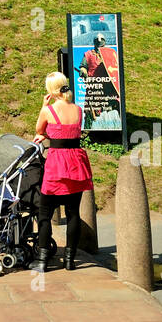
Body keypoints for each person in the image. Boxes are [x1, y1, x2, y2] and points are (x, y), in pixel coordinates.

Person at [31, 72, 94, 273]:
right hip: (75, 162)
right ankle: (70, 260)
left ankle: (42, 261)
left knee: (44, 214)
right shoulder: (78, 109)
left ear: (50, 90)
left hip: (57, 164)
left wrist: (43, 107)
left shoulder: (48, 111)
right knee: (73, 213)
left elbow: (39, 131)